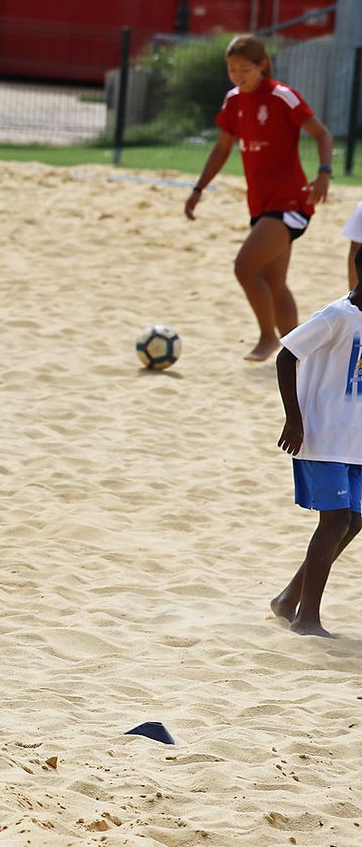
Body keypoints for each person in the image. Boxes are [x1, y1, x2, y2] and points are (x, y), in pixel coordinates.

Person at [186, 34, 334, 362]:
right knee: (274, 281)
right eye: (231, 69)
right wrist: (198, 190)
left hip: (291, 203)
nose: (238, 75)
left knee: (244, 267)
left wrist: (323, 172)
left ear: (262, 65)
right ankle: (300, 353)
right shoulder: (233, 101)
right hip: (261, 204)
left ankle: (268, 339)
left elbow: (322, 133)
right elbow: (222, 148)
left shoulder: (282, 96)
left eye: (244, 69)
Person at [271, 245, 362, 637]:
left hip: (355, 441)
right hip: (322, 436)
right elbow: (286, 355)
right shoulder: (336, 316)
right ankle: (307, 618)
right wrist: (294, 418)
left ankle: (289, 599)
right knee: (336, 519)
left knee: (355, 519)